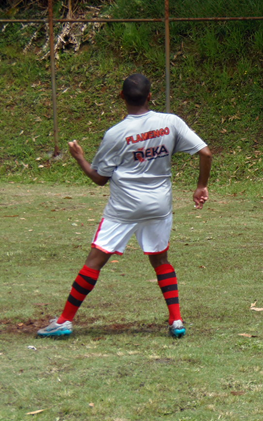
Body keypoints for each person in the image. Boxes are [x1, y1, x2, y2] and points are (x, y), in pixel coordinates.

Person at [37, 73, 212, 339]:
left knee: (94, 262)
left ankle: (63, 321)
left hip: (124, 208)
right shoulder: (170, 122)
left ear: (122, 97)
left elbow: (99, 179)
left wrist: (80, 158)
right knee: (161, 260)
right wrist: (200, 186)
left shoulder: (116, 134)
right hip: (159, 206)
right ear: (150, 96)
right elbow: (206, 152)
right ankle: (176, 321)